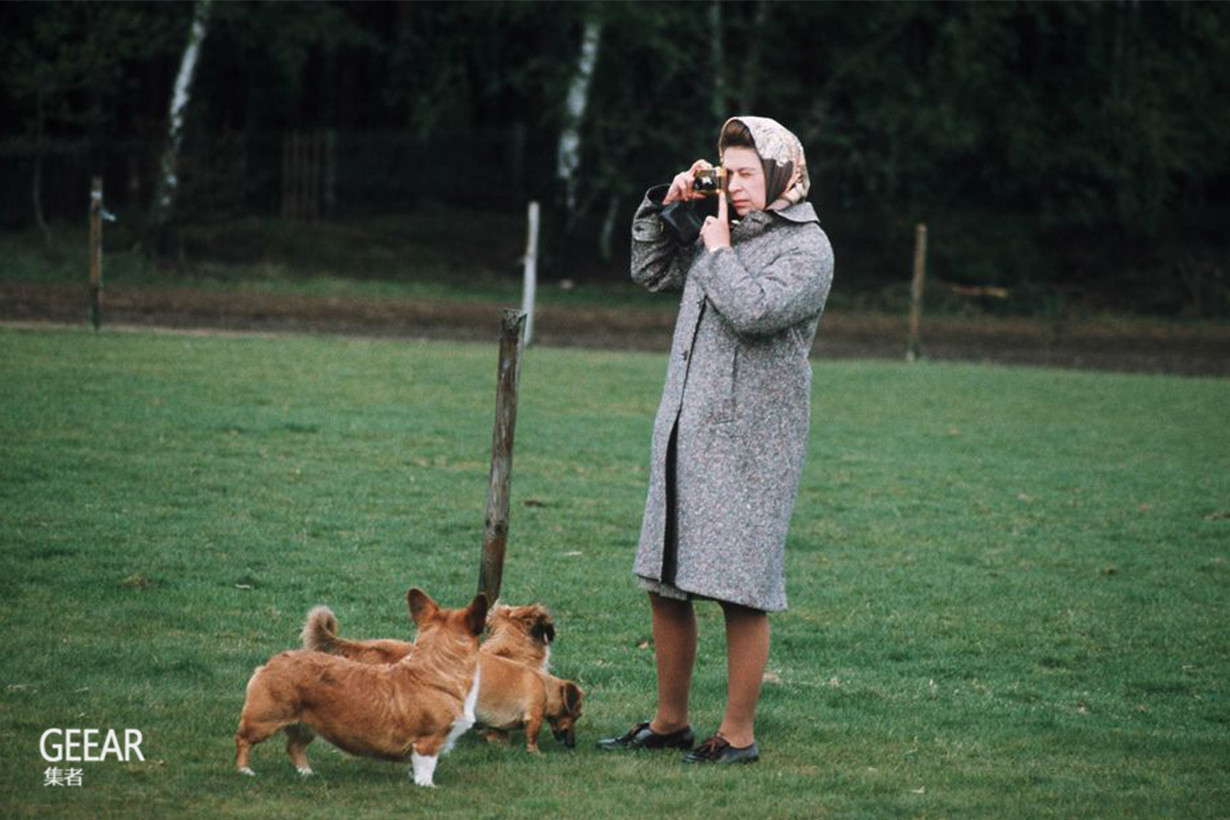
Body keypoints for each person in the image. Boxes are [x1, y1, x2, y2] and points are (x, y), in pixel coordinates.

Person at [597, 116, 834, 764]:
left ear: (784, 173)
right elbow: (648, 271)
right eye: (728, 173)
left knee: (739, 589)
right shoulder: (714, 226)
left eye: (750, 174)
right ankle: (669, 721)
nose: (737, 186)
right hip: (686, 429)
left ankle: (737, 736)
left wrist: (720, 247)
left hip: (753, 445)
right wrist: (666, 207)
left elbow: (755, 312)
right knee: (667, 581)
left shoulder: (808, 249)